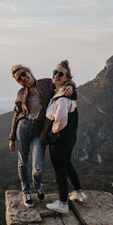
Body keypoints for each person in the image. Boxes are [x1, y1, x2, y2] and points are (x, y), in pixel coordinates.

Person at [9, 64, 76, 208]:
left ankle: (38, 185)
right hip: (24, 127)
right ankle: (26, 192)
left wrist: (70, 85)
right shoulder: (21, 93)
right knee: (22, 162)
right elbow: (16, 114)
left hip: (39, 130)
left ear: (28, 70)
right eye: (18, 78)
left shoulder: (46, 83)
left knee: (37, 166)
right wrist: (12, 137)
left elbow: (61, 81)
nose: (22, 77)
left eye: (23, 73)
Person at [42, 60, 86, 214]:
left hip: (59, 140)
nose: (56, 75)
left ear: (66, 78)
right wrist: (71, 85)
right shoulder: (62, 92)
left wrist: (50, 136)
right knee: (67, 164)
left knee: (60, 170)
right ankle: (79, 193)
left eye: (60, 74)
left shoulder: (63, 97)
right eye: (55, 72)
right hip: (69, 138)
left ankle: (62, 203)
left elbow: (60, 121)